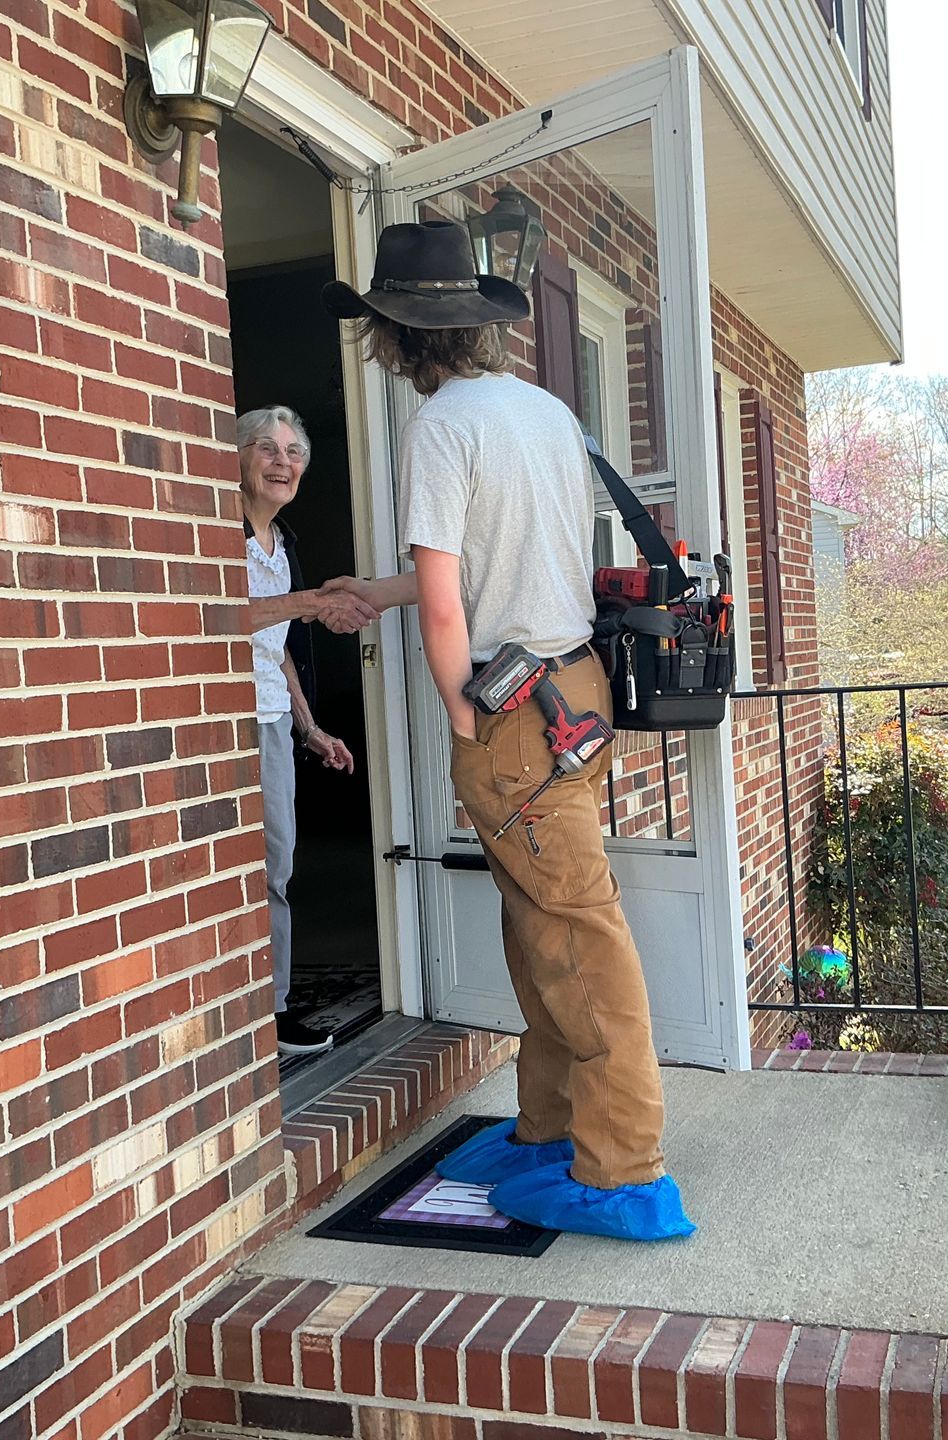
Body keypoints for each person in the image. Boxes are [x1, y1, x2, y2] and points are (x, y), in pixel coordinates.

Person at [322, 221, 695, 1241]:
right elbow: (502, 563)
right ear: (474, 326)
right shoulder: (542, 410)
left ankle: (623, 1171)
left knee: (577, 932)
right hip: (571, 687)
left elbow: (454, 605)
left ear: (396, 335)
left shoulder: (441, 425)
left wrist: (457, 707)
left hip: (510, 711)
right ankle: (549, 1130)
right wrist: (376, 594)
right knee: (542, 923)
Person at [236, 405, 370, 1056]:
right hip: (225, 720)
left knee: (277, 866)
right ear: (239, 458)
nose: (282, 461)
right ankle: (256, 1008)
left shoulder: (282, 542)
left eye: (293, 451)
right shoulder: (220, 534)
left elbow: (278, 644)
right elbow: (219, 615)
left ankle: (275, 1007)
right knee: (243, 872)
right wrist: (310, 602)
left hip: (271, 719)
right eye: (266, 447)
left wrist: (310, 726)